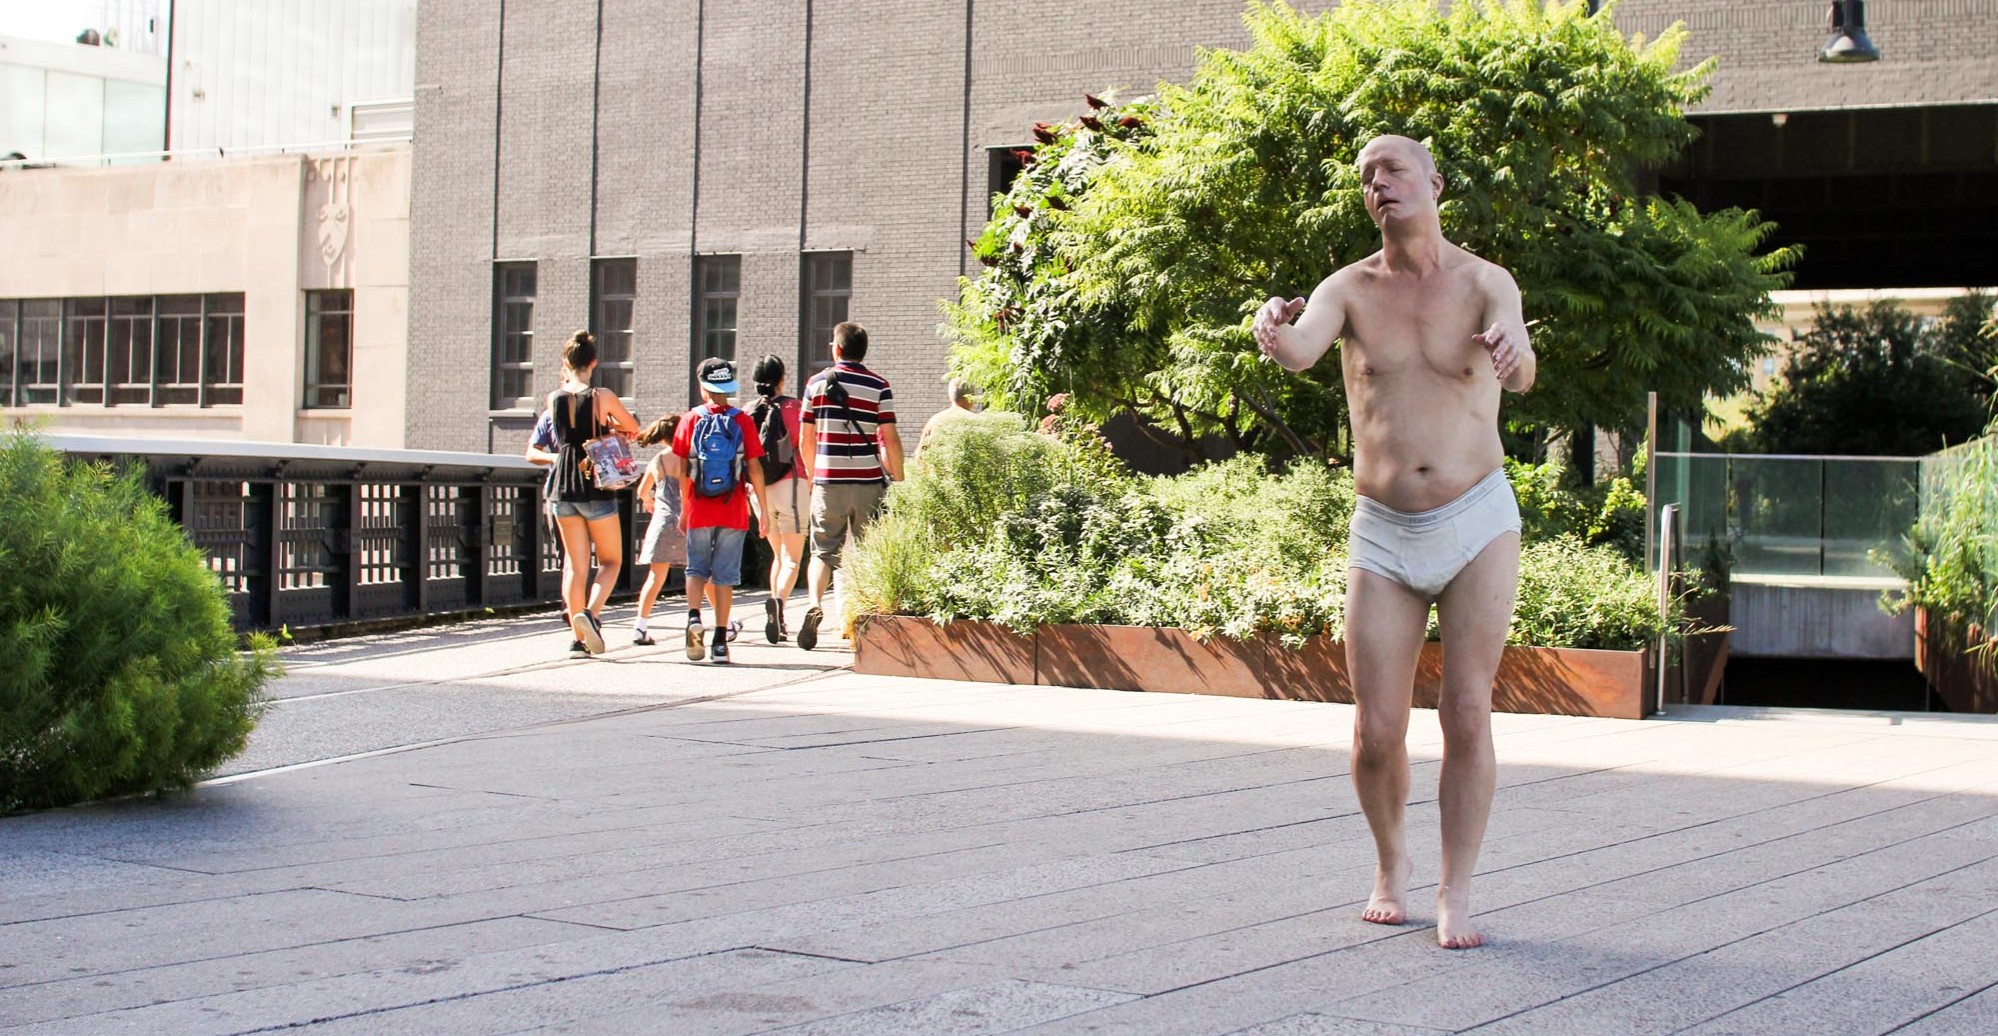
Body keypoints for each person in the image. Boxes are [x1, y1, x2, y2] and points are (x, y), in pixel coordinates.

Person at [1252, 134, 1536, 950]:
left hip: (1476, 515)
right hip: (1383, 529)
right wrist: (1274, 328)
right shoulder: (1348, 288)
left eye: (1394, 170)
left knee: (1468, 710)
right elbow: (1302, 351)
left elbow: (1520, 368)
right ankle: (1390, 866)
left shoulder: (1487, 283)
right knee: (1377, 727)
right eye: (1368, 178)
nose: (1380, 185)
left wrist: (1515, 357)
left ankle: (1458, 889)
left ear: (1435, 183)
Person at [524, 330, 639, 657]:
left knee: (575, 566)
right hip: (594, 481)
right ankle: (591, 613)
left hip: (561, 485)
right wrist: (611, 428)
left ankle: (577, 639)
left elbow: (561, 437)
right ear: (594, 362)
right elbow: (632, 428)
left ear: (566, 362)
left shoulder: (553, 398)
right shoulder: (602, 396)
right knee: (611, 560)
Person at [795, 322, 903, 652]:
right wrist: (899, 480)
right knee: (868, 551)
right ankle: (861, 621)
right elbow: (890, 438)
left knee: (823, 551)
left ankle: (815, 603)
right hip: (868, 481)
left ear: (836, 348)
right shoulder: (879, 386)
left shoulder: (816, 384)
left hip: (829, 480)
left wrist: (814, 474)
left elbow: (805, 439)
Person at [670, 357, 768, 665]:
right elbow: (754, 467)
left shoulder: (690, 420)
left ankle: (693, 616)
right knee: (724, 576)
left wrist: (685, 509)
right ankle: (720, 641)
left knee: (696, 569)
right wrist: (762, 509)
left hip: (699, 507)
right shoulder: (743, 421)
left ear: (704, 388)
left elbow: (680, 470)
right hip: (733, 509)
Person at [749, 354, 811, 643]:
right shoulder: (793, 408)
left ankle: (777, 615)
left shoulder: (748, 411)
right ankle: (780, 605)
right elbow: (806, 444)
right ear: (782, 378)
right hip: (791, 486)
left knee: (778, 555)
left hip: (759, 491)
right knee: (792, 560)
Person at [629, 415, 686, 646]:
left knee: (655, 576)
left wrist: (650, 501)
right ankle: (725, 622)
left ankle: (640, 626)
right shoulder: (686, 458)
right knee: (704, 573)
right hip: (684, 519)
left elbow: (642, 491)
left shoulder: (658, 459)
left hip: (662, 521)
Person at [916, 377, 979, 454]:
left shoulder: (935, 421)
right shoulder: (977, 422)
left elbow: (921, 453)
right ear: (971, 397)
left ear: (950, 396)